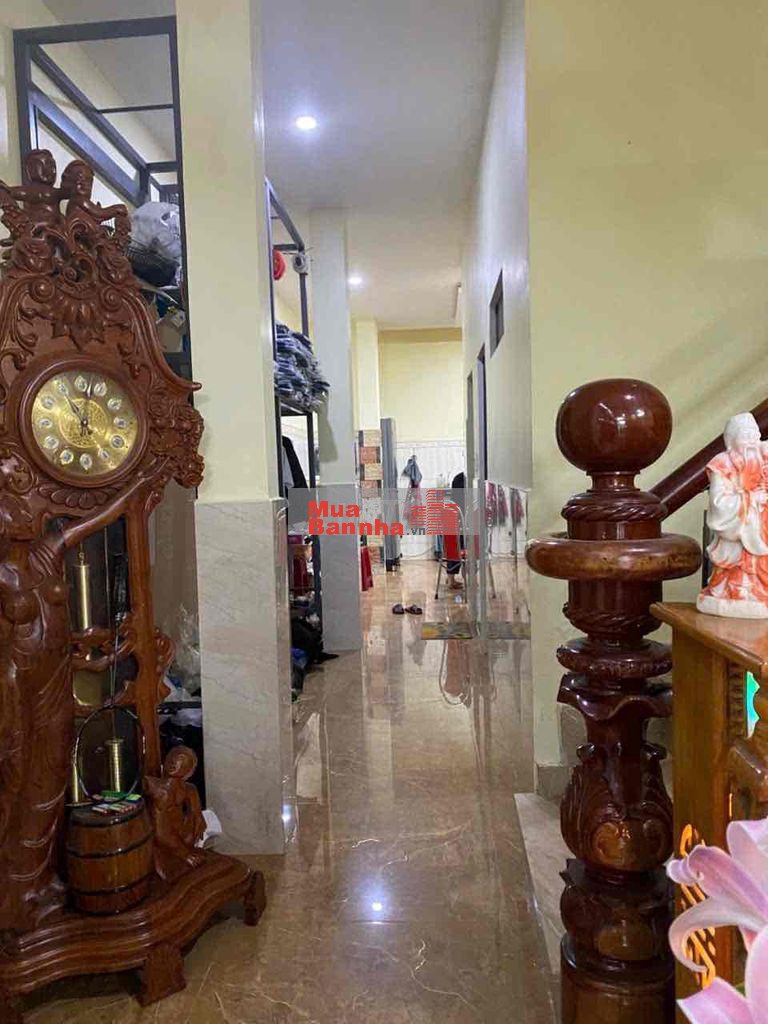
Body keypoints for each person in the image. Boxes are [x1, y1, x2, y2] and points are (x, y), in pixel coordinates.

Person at [697, 412, 768, 618]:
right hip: (738, 530)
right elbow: (719, 502)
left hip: (762, 525)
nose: (751, 439)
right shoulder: (723, 464)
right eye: (744, 434)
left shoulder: (763, 458)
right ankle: (735, 591)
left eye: (754, 433)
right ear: (731, 440)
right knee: (737, 565)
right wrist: (752, 499)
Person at [446, 471, 465, 589]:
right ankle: (467, 578)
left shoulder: (450, 504)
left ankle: (450, 578)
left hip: (449, 545)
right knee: (465, 545)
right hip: (459, 541)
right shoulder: (464, 506)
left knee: (453, 546)